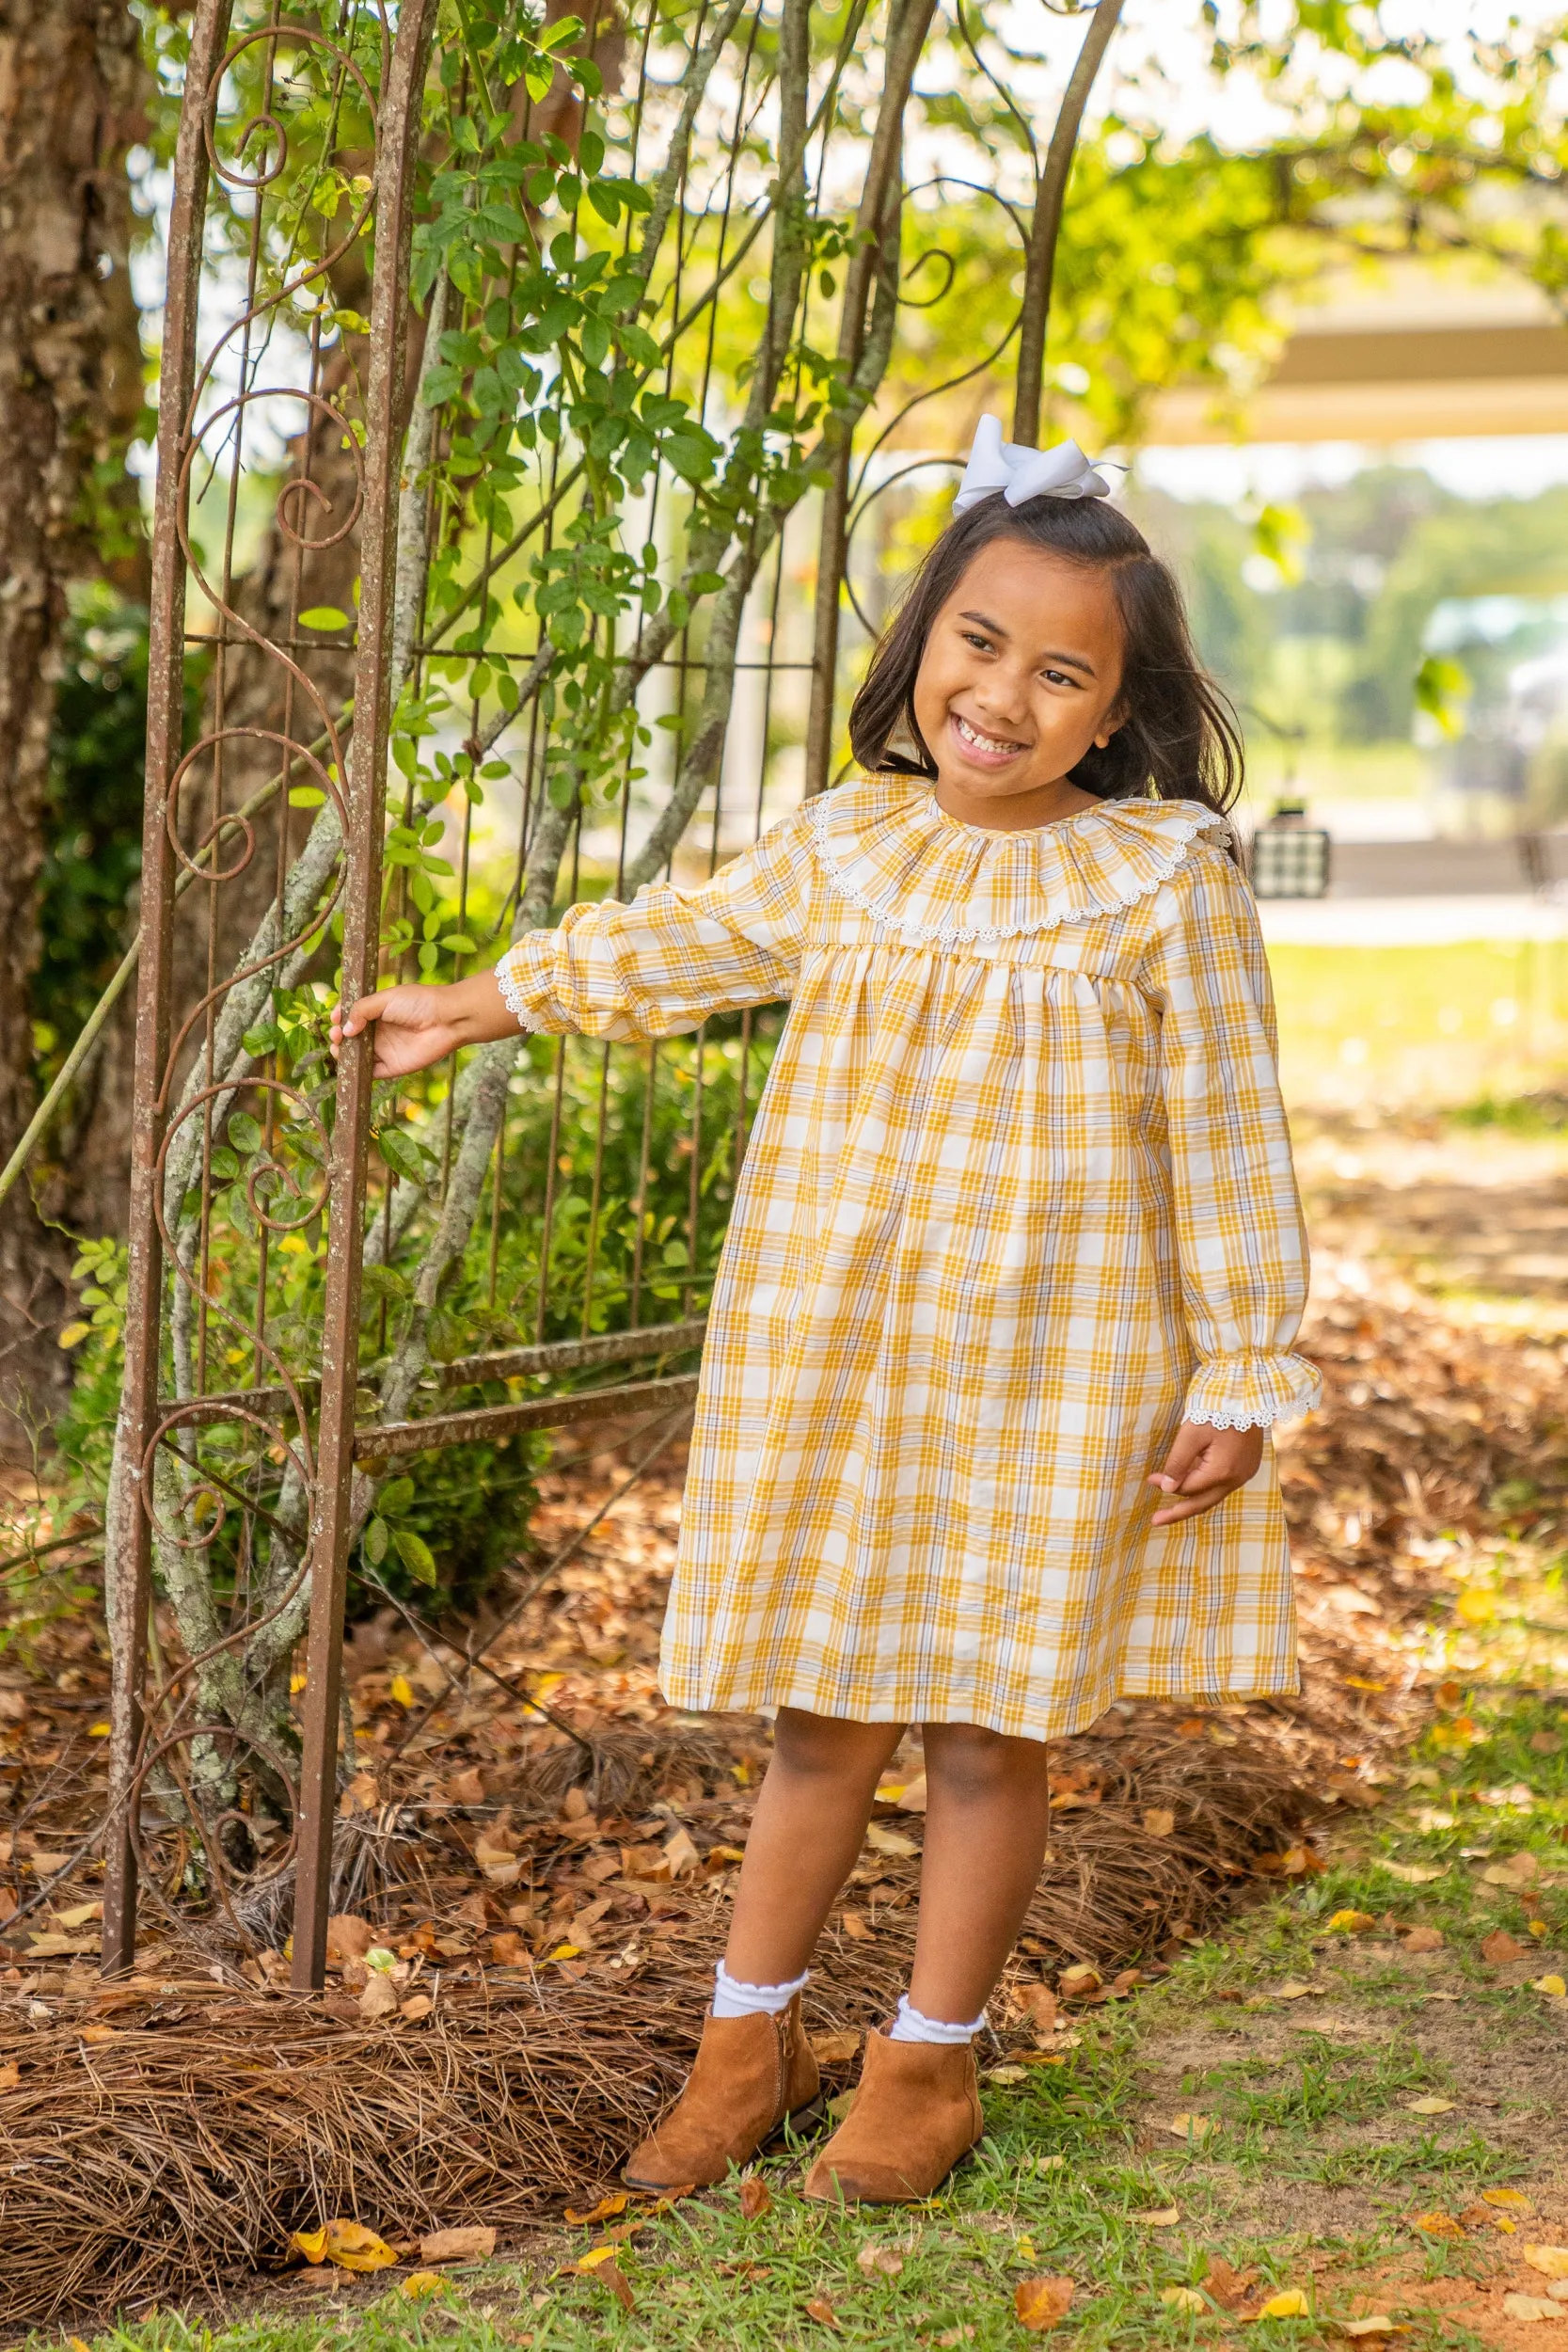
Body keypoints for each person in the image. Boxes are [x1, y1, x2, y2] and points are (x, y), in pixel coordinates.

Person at [332, 413, 1319, 2205]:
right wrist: (480, 1001)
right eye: (977, 645)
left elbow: (1231, 1142)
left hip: (1054, 1362)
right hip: (841, 1344)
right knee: (817, 1716)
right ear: (921, 640)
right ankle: (748, 2037)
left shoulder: (1163, 884)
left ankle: (925, 2067)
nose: (1004, 698)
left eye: (1060, 675)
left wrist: (1246, 1365)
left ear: (1117, 708)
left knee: (983, 1726)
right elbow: (681, 942)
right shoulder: (850, 843)